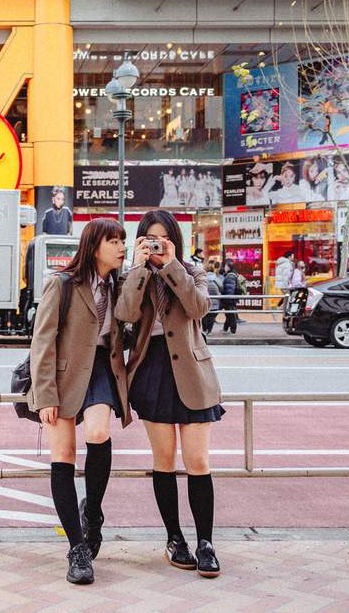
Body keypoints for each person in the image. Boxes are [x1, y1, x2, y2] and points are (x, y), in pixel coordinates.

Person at [116, 209, 224, 579]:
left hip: (193, 373)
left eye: (163, 238)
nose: (157, 244)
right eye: (149, 238)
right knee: (164, 460)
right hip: (152, 371)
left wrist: (172, 265)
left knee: (198, 462)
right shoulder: (135, 276)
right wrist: (140, 268)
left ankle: (206, 543)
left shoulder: (193, 272)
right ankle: (174, 538)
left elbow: (199, 308)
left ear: (175, 240)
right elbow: (126, 313)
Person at [28, 219, 130, 585]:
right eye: (114, 241)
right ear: (94, 246)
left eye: (123, 241)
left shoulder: (120, 285)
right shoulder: (62, 284)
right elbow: (42, 341)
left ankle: (95, 513)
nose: (122, 247)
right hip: (63, 372)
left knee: (100, 432)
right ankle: (77, 549)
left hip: (101, 368)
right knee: (64, 455)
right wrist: (45, 394)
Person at [220, 262, 240, 335]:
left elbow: (230, 289)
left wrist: (228, 298)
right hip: (230, 298)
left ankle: (233, 330)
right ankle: (225, 328)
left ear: (228, 267)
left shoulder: (230, 276)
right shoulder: (230, 275)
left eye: (225, 266)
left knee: (231, 314)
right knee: (229, 314)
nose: (224, 268)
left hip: (229, 299)